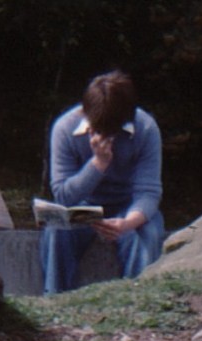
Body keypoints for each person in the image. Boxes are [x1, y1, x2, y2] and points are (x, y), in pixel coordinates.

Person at [41, 71, 164, 295]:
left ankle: (141, 299)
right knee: (55, 230)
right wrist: (98, 164)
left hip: (128, 206)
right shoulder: (64, 129)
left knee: (148, 234)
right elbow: (63, 196)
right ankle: (55, 301)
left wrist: (128, 223)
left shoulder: (146, 128)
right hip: (84, 207)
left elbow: (148, 191)